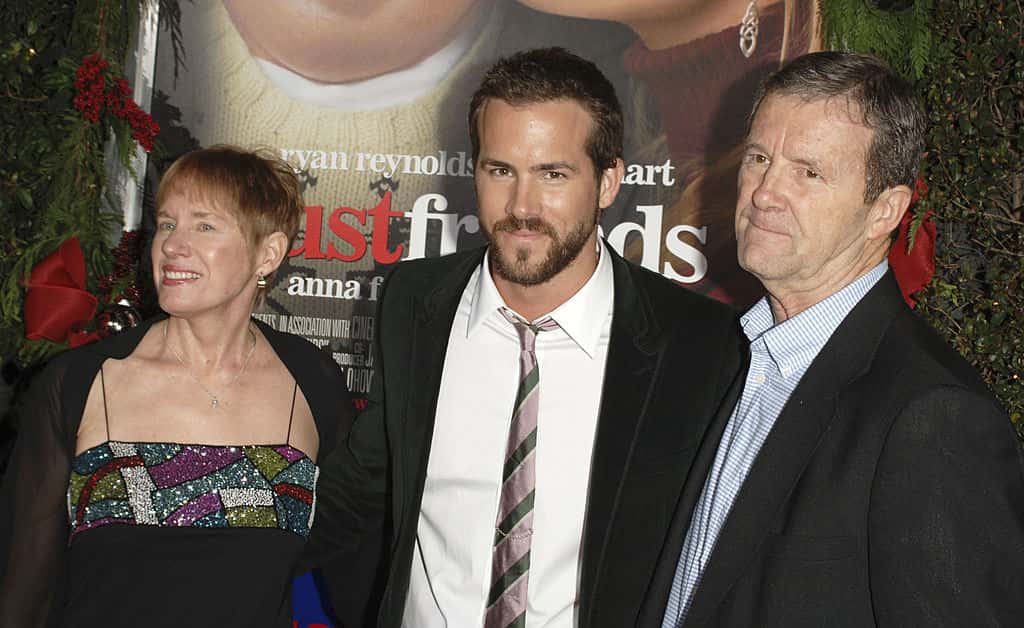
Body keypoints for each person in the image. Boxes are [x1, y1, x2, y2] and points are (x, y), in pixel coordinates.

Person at [309, 47, 744, 628]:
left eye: (553, 174)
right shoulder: (414, 303)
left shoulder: (695, 343)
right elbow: (359, 494)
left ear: (609, 180)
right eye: (500, 170)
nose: (521, 206)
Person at [642, 51, 1024, 627]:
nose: (765, 193)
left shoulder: (932, 417)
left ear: (886, 211)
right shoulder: (739, 358)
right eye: (759, 158)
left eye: (808, 171)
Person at [0, 146, 355, 627]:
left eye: (204, 226)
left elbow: (354, 566)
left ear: (267, 254)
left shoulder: (312, 383)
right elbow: (22, 592)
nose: (172, 245)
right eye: (167, 224)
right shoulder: (79, 383)